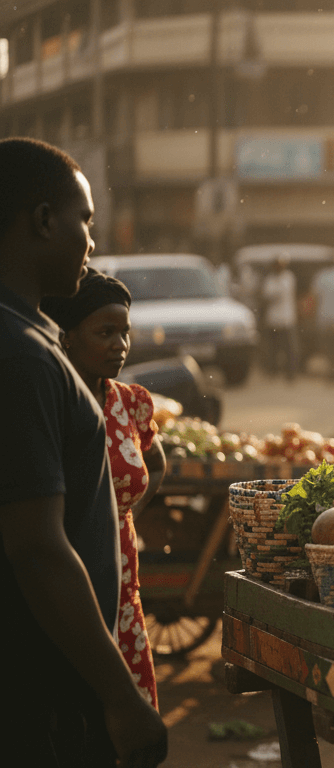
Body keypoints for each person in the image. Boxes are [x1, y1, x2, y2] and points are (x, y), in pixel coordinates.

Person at [0, 138, 167, 765]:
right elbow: (38, 548)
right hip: (37, 690)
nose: (90, 243)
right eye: (84, 221)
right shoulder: (22, 357)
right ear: (44, 220)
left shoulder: (31, 343)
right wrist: (121, 698)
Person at [42, 268, 165, 711]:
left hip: (123, 584)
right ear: (69, 336)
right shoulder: (49, 400)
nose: (120, 344)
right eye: (105, 331)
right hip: (65, 584)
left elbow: (156, 463)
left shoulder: (129, 402)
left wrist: (125, 516)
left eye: (125, 332)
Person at [260, 254, 298, 381]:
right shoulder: (270, 279)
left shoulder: (288, 277)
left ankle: (290, 374)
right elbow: (268, 295)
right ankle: (273, 372)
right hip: (274, 320)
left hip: (287, 319)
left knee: (290, 349)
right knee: (274, 349)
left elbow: (283, 292)